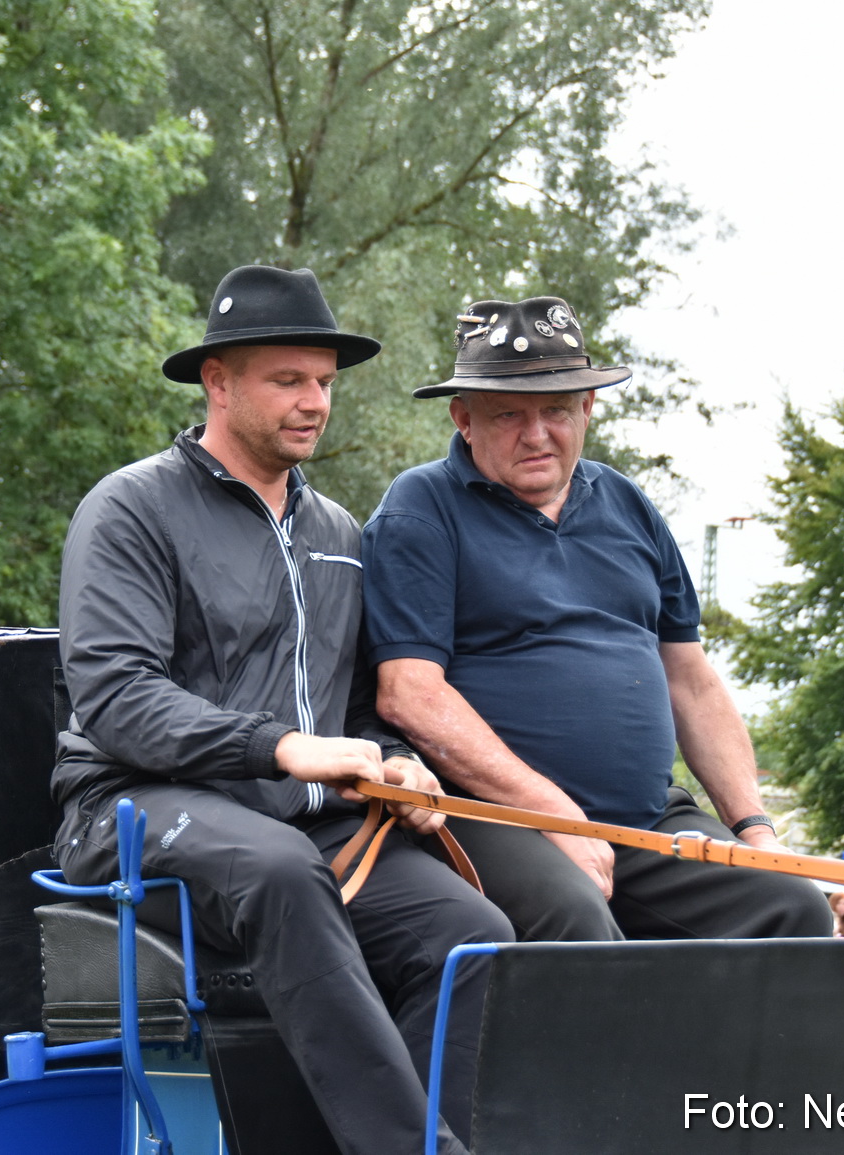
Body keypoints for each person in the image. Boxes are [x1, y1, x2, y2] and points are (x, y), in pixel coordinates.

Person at [52, 265, 512, 1155]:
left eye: (326, 382)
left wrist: (391, 760)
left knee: (472, 932)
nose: (314, 402)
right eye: (287, 380)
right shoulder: (130, 509)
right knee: (277, 869)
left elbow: (344, 705)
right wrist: (285, 747)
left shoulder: (337, 532)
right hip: (129, 803)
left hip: (307, 824)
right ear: (216, 380)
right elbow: (116, 696)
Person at [362, 295, 829, 944]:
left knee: (793, 905)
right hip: (494, 816)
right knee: (575, 917)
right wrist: (556, 814)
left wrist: (754, 826)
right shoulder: (421, 509)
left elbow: (690, 680)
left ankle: (713, 1050)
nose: (536, 433)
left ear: (587, 408)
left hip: (647, 818)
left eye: (555, 409)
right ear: (463, 417)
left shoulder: (629, 505)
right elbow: (410, 693)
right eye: (508, 414)